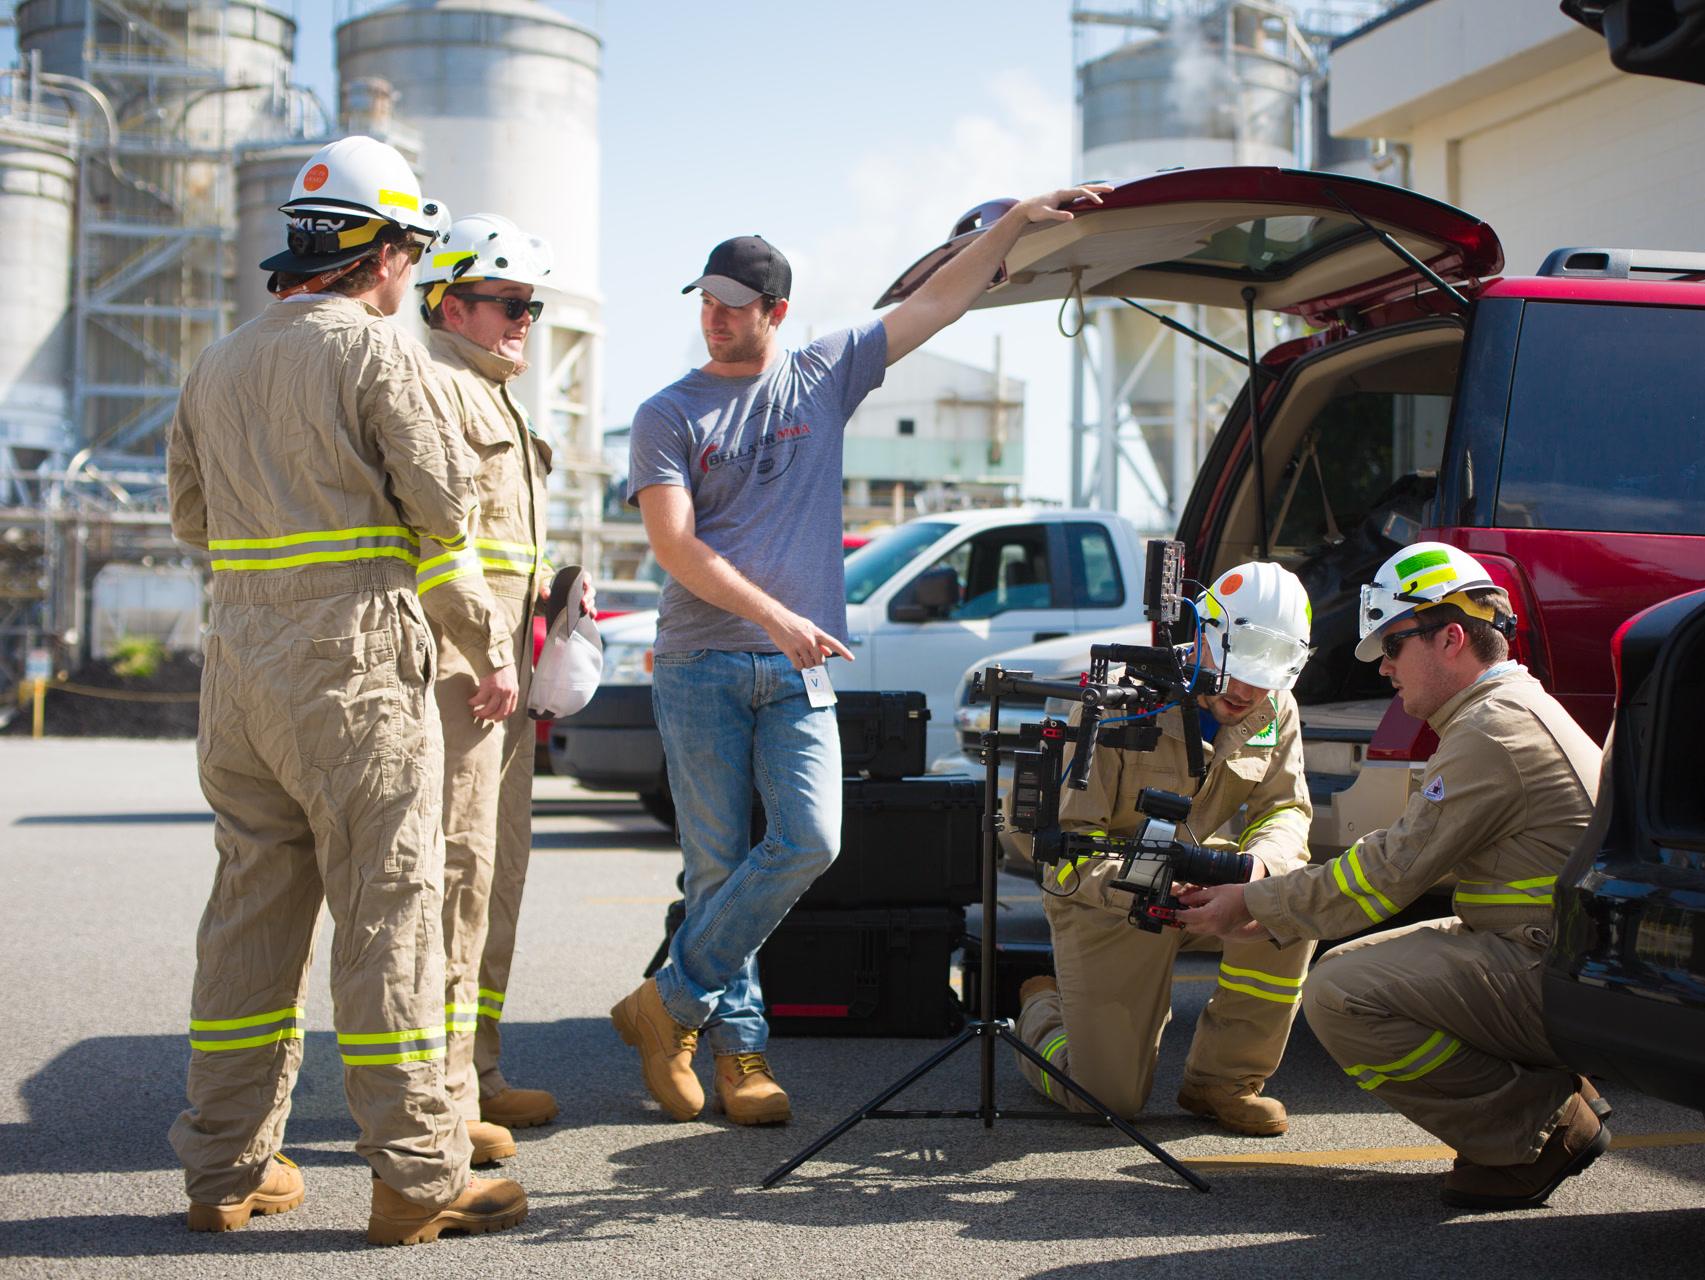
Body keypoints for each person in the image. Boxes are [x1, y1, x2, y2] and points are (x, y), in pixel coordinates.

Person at [612, 184, 1110, 1126]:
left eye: (732, 304)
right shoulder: (665, 413)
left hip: (795, 669)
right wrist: (777, 618)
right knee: (716, 870)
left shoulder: (823, 372)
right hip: (700, 664)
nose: (714, 319)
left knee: (811, 840)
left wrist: (1011, 227)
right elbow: (675, 548)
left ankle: (666, 1004)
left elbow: (937, 302)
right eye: (704, 303)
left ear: (776, 313)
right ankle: (741, 1058)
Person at [164, 136, 526, 1246]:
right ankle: (418, 1175)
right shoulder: (380, 357)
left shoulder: (217, 363)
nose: (412, 275)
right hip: (358, 676)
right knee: (392, 917)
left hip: (240, 679)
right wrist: (490, 647)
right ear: (379, 253)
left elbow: (191, 520)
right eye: (412, 253)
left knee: (249, 922)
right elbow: (442, 519)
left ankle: (225, 1169)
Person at [1177, 542, 1607, 1211]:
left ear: (1452, 638)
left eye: (1394, 644)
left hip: (1544, 967)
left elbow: (1384, 875)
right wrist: (1274, 900)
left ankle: (1534, 1131)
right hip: (1548, 954)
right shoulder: (1506, 712)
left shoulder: (1493, 732)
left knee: (1344, 993)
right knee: (1370, 964)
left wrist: (1250, 903)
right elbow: (1392, 855)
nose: (1383, 666)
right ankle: (1545, 1103)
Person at [1014, 562, 1317, 1134]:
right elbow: (1064, 849)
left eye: (1266, 674)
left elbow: (1285, 808)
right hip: (1106, 893)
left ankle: (1223, 1082)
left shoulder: (1273, 705)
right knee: (1105, 1100)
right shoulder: (1120, 698)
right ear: (1203, 633)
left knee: (1293, 906)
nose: (1249, 689)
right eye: (1238, 669)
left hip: (1199, 873)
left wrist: (1258, 869)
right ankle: (1040, 1012)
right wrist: (1148, 882)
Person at [416, 213, 585, 1154]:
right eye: (509, 302)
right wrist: (484, 652)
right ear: (449, 302)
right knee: (453, 875)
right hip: (459, 680)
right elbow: (436, 546)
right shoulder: (435, 389)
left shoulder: (499, 398)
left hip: (503, 681)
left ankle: (476, 1066)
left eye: (532, 304)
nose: (526, 319)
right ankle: (443, 1097)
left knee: (496, 875)